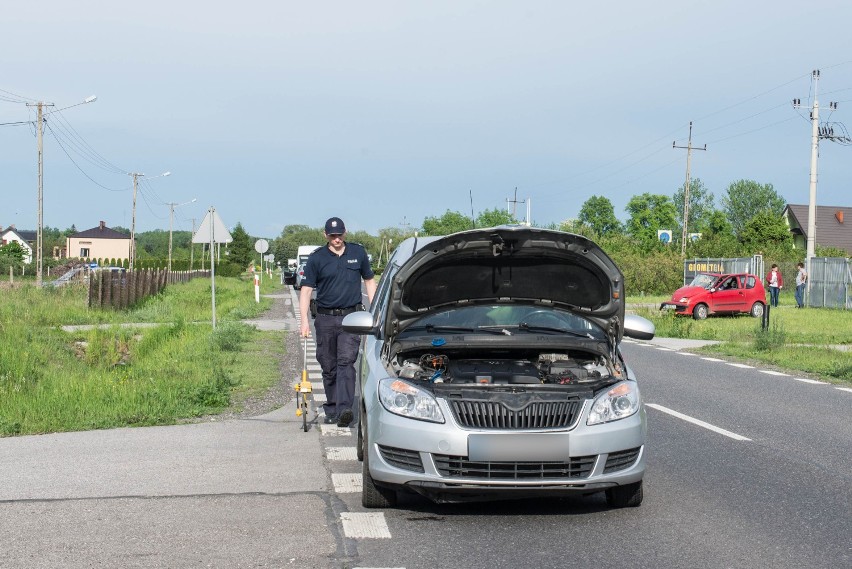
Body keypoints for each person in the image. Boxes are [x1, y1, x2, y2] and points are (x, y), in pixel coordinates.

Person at [299, 217, 377, 427]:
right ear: (325, 235)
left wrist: (375, 311)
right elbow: (306, 290)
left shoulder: (358, 253)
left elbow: (369, 281)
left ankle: (344, 409)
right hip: (324, 319)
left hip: (351, 318)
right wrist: (304, 321)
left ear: (345, 233)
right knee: (328, 366)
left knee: (346, 362)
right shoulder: (317, 258)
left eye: (340, 234)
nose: (337, 239)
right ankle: (332, 408)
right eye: (332, 235)